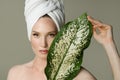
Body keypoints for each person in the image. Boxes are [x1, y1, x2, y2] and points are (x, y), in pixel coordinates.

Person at [7, 0, 120, 80]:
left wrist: (109, 44)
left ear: (61, 36)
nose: (43, 44)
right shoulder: (16, 74)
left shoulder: (79, 77)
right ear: (30, 36)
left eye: (51, 35)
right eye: (36, 35)